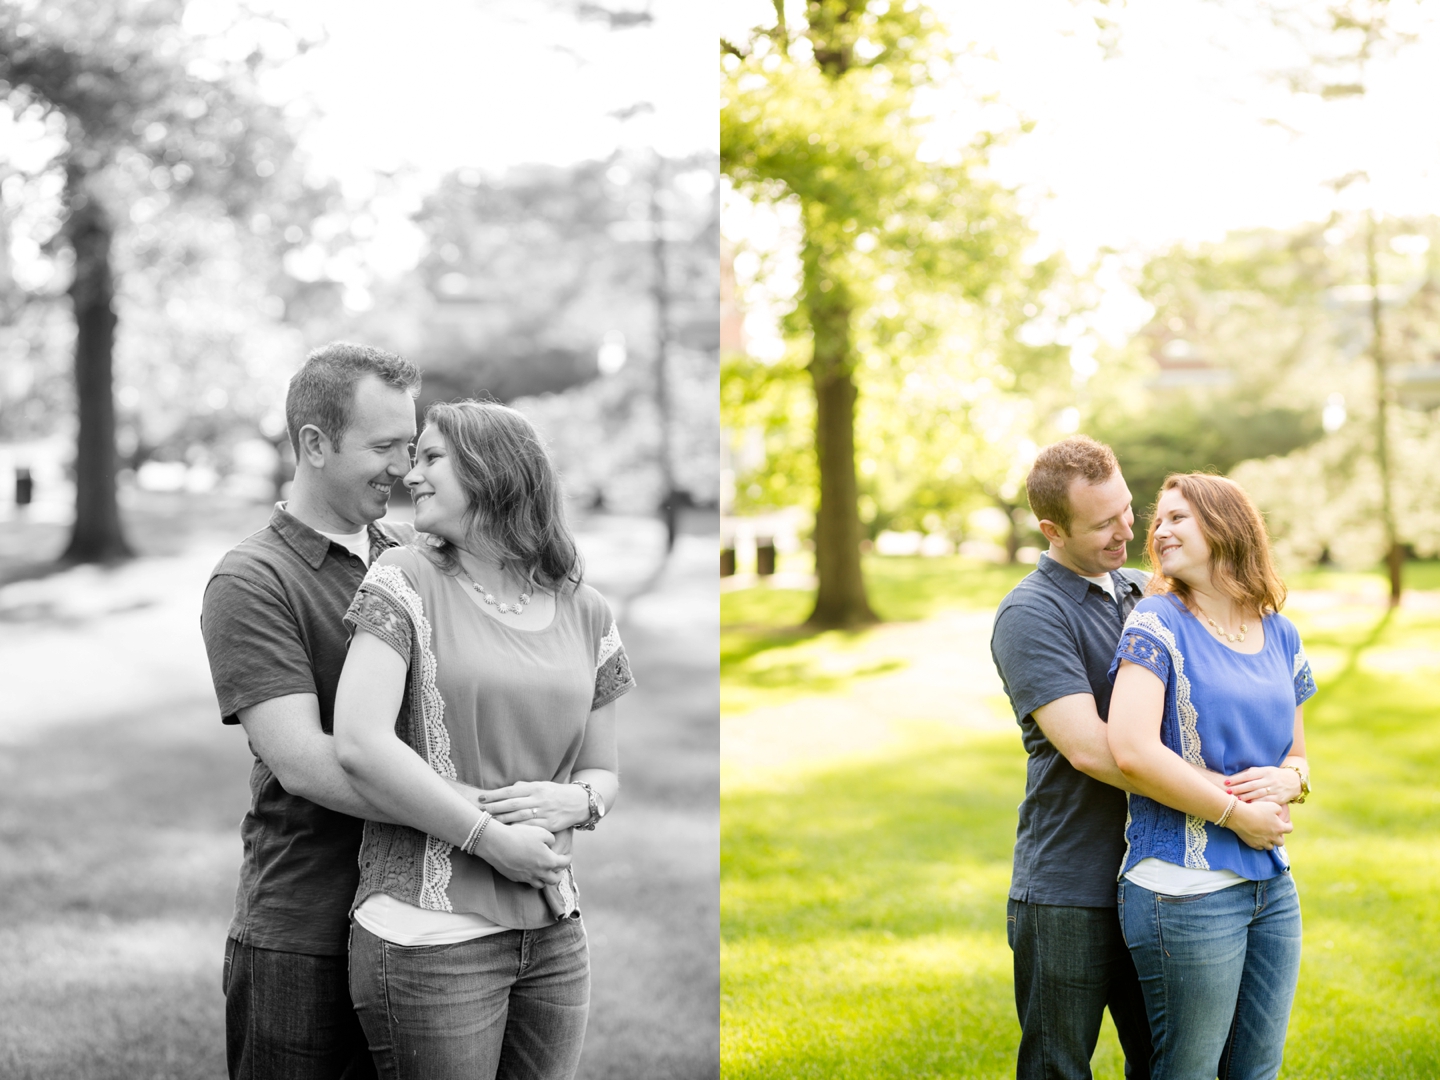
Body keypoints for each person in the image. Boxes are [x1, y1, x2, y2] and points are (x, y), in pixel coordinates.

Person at [200, 342, 507, 1080]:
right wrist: (474, 820)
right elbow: (305, 763)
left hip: (427, 923)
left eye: (410, 445)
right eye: (383, 446)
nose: (405, 468)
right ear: (313, 443)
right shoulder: (251, 579)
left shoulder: (415, 559)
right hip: (303, 926)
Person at [332, 399, 634, 1080]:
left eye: (433, 456)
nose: (412, 472)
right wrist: (492, 839)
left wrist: (578, 804)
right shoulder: (403, 580)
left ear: (494, 471)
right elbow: (358, 742)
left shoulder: (586, 610)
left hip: (555, 932)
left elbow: (601, 770)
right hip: (430, 935)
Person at [1106, 473, 1312, 1079]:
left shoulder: (1280, 631)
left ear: (1226, 524)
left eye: (1179, 517)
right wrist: (1235, 813)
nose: (1159, 530)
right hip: (1183, 888)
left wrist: (1290, 783)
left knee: (1257, 1072)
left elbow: (1298, 758)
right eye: (1158, 520)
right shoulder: (1155, 621)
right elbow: (1132, 749)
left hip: (1272, 889)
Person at [989, 435, 1157, 1078]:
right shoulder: (1031, 614)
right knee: (1058, 1069)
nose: (1126, 530)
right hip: (1069, 888)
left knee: (1170, 1062)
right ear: (1051, 529)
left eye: (1126, 509)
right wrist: (1222, 801)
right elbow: (1090, 750)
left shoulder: (1150, 593)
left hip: (1162, 879)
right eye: (1102, 524)